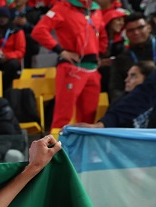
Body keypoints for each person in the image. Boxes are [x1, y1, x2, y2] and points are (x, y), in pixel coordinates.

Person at [31, 0, 108, 130]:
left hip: (92, 70)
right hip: (71, 69)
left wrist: (99, 53)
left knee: (89, 118)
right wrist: (61, 51)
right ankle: (55, 150)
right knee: (63, 116)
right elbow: (39, 31)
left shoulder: (96, 10)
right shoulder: (62, 8)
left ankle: (84, 150)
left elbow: (102, 34)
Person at [108, 13, 156, 103]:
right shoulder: (121, 59)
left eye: (140, 28)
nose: (136, 32)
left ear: (149, 27)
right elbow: (115, 90)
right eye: (131, 30)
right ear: (126, 34)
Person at [0, 6, 26, 91]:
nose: (2, 20)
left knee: (13, 64)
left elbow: (21, 51)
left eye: (4, 18)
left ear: (8, 18)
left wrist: (7, 56)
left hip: (9, 61)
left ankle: (4, 89)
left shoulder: (17, 31)